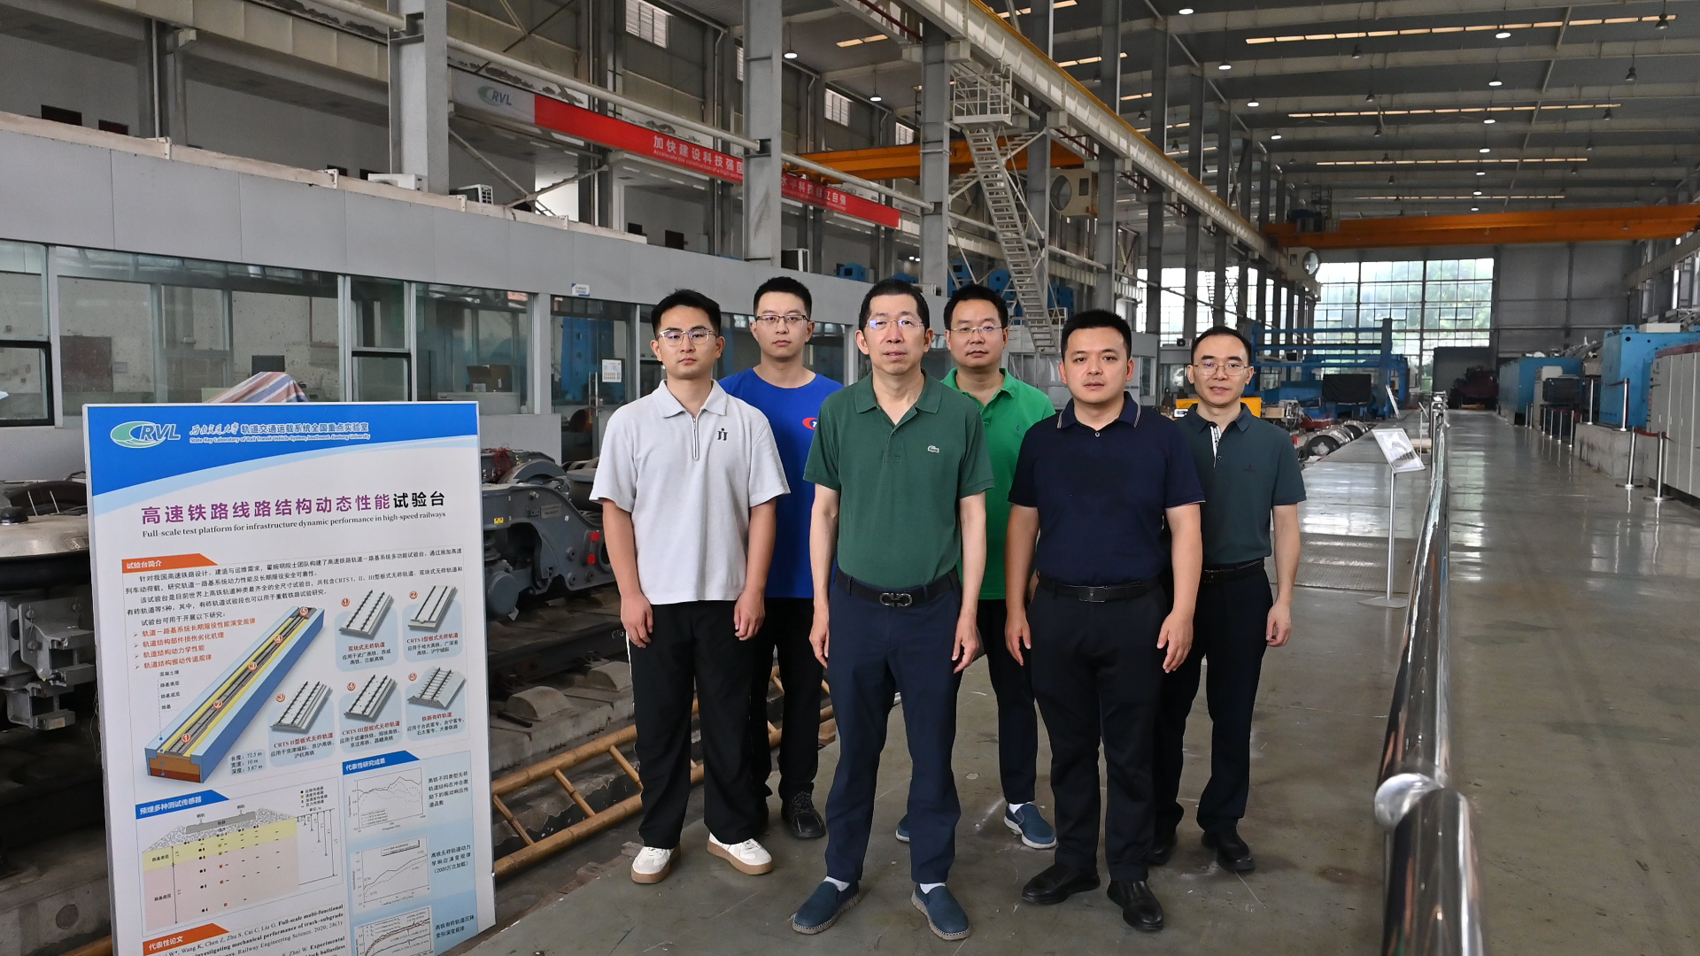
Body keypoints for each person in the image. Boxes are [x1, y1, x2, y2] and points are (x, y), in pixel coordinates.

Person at [789, 278, 992, 941]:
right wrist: (821, 608)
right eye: (881, 322)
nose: (894, 333)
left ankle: (931, 878)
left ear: (928, 339)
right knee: (856, 750)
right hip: (854, 609)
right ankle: (840, 874)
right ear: (861, 339)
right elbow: (824, 513)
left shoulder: (958, 415)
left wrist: (967, 613)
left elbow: (974, 518)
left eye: (907, 321)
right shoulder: (839, 412)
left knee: (933, 750)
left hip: (933, 612)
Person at [1004, 309, 1204, 933]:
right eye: (1081, 359)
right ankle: (1073, 862)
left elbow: (1186, 529)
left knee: (1131, 751)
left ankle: (1128, 871)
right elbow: (1023, 526)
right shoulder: (1042, 439)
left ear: (1129, 367)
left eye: (1108, 357)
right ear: (1062, 369)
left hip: (1137, 614)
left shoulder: (1162, 437)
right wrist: (1015, 608)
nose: (1094, 369)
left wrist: (1182, 611)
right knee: (1068, 749)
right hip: (1057, 612)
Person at [592, 289, 790, 885]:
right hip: (656, 602)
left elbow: (763, 509)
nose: (686, 344)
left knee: (732, 719)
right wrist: (630, 594)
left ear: (719, 345)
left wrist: (753, 590)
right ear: (656, 347)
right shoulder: (630, 423)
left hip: (728, 600)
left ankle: (729, 830)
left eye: (698, 333)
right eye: (673, 335)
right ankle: (658, 836)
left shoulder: (748, 422)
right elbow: (615, 512)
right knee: (660, 725)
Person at [1151, 325, 1305, 874]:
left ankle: (1223, 823)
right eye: (1208, 362)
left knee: (1233, 714)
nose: (1220, 373)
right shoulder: (1164, 437)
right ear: (1190, 372)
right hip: (1173, 594)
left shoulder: (1273, 443)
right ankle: (1158, 821)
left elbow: (1286, 526)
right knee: (1163, 712)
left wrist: (1283, 600)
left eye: (1232, 363)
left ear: (1249, 374)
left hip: (1243, 591)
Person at [934, 283, 1058, 850]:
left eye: (987, 326)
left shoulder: (1036, 409)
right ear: (946, 338)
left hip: (1015, 589)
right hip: (943, 587)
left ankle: (1020, 801)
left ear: (1006, 336)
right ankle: (930, 800)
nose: (976, 337)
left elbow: (1055, 500)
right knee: (935, 704)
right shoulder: (926, 404)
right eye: (964, 328)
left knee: (1018, 700)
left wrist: (1034, 577)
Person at [721, 276, 841, 841]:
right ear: (753, 328)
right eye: (770, 318)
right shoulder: (726, 396)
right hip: (739, 579)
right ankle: (750, 794)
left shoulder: (837, 402)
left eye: (792, 318)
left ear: (810, 329)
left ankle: (798, 793)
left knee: (804, 693)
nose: (781, 328)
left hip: (809, 580)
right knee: (741, 693)